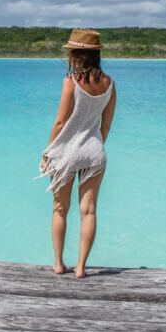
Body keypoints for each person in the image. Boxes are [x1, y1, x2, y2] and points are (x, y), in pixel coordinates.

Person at [37, 29, 116, 278]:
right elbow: (106, 125)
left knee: (60, 209)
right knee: (89, 211)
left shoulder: (70, 83)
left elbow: (60, 123)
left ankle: (59, 264)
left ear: (76, 55)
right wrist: (92, 145)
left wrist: (47, 153)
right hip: (95, 152)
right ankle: (81, 267)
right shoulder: (109, 84)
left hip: (66, 153)